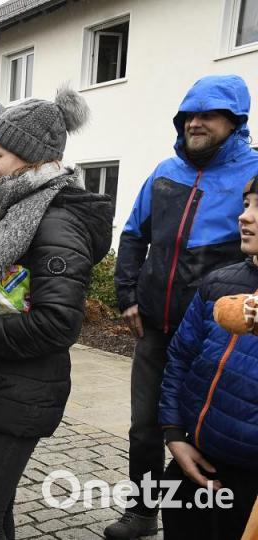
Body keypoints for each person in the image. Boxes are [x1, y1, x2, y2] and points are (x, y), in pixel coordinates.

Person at [0, 87, 112, 540]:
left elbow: (58, 323)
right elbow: (10, 287)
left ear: (31, 156)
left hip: (22, 390)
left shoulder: (55, 219)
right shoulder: (20, 208)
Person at [108, 74, 258, 539]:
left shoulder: (252, 174)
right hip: (156, 325)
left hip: (224, 330)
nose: (195, 123)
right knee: (145, 427)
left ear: (234, 122)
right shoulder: (163, 172)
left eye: (208, 114)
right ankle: (142, 510)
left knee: (213, 426)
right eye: (189, 115)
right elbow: (133, 235)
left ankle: (220, 517)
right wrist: (127, 296)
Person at [156, 177, 258, 539]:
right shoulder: (219, 284)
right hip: (193, 462)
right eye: (247, 204)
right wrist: (174, 435)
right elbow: (180, 359)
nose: (245, 217)